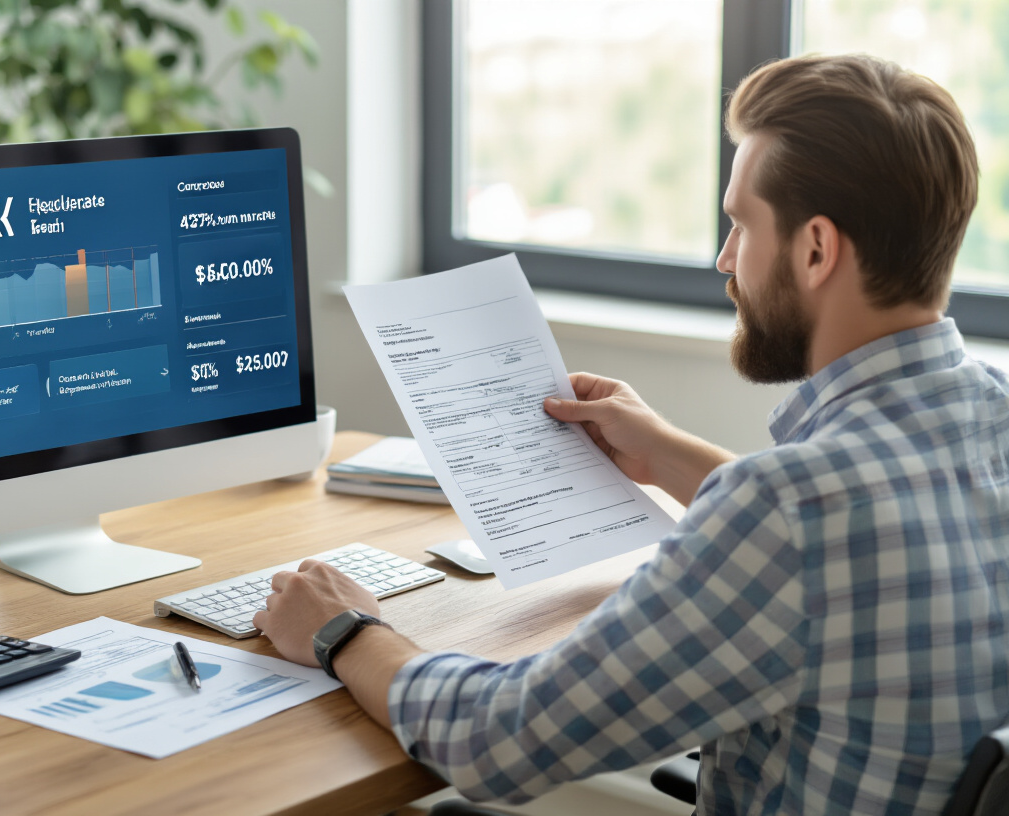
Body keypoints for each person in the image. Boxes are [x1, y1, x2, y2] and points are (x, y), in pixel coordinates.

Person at [254, 53, 1009, 815]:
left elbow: (499, 741)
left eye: (740, 225)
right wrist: (672, 455)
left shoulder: (788, 511)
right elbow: (860, 530)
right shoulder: (988, 420)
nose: (724, 261)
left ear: (816, 249)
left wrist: (346, 630)